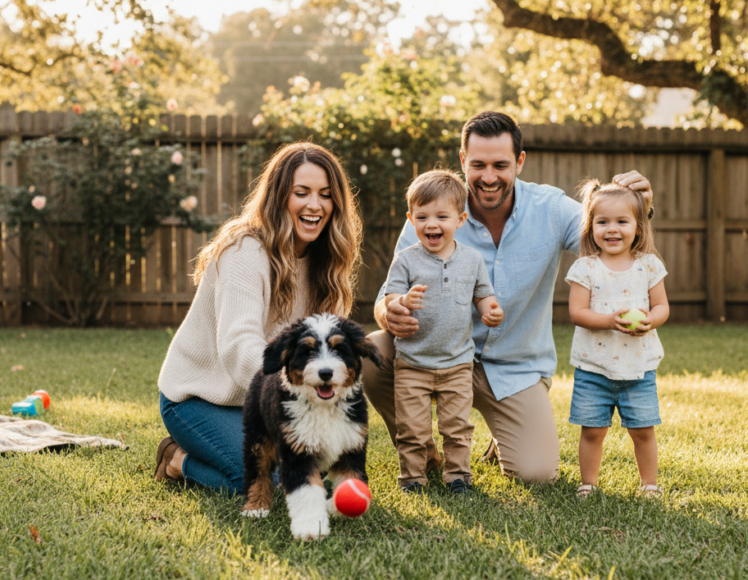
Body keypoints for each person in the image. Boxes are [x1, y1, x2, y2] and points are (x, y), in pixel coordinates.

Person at [363, 111, 654, 483]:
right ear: (463, 160)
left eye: (500, 165)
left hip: (514, 368)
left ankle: (502, 437)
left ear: (520, 161)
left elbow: (613, 233)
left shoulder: (550, 209)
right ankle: (424, 453)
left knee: (536, 474)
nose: (488, 177)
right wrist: (391, 314)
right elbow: (387, 295)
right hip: (438, 354)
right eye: (478, 164)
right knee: (373, 351)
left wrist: (642, 208)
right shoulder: (432, 214)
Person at [154, 142, 363, 494]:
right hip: (199, 399)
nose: (315, 205)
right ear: (280, 197)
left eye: (326, 195)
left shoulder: (324, 260)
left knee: (319, 479)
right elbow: (240, 345)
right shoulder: (245, 250)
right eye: (302, 193)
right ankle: (177, 460)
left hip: (267, 404)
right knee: (272, 482)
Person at [383, 170, 504, 495]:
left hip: (457, 364)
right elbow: (390, 296)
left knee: (457, 427)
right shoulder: (406, 261)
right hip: (412, 362)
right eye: (422, 217)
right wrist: (402, 301)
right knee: (413, 428)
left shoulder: (472, 260)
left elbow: (483, 295)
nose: (431, 224)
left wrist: (490, 310)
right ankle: (412, 478)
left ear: (460, 219)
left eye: (441, 216)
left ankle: (457, 476)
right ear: (411, 219)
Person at [565, 179, 669, 498]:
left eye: (622, 221)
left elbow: (662, 306)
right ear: (591, 226)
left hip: (638, 368)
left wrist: (651, 320)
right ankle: (589, 484)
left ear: (638, 227)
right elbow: (578, 312)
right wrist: (609, 321)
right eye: (603, 222)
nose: (612, 229)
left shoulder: (648, 265)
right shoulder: (586, 268)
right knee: (593, 430)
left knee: (642, 430)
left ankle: (649, 484)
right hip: (593, 367)